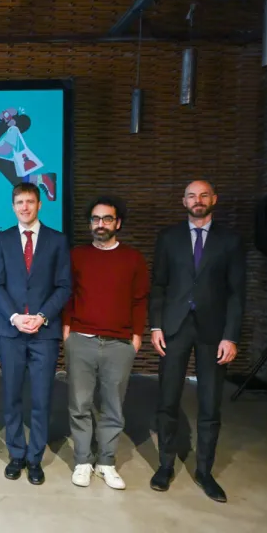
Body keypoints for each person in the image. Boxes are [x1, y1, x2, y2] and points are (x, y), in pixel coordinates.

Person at [148, 180, 246, 503]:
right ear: (183, 201)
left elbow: (236, 294)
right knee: (167, 400)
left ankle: (205, 472)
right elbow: (159, 286)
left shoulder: (230, 241)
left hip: (213, 333)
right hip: (174, 329)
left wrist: (231, 336)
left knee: (209, 404)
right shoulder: (168, 238)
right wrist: (155, 327)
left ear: (214, 199)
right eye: (191, 195)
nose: (198, 200)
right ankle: (164, 466)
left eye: (203, 195)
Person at [62, 197, 149, 490]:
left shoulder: (133, 259)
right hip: (81, 340)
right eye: (96, 219)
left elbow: (139, 301)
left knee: (113, 406)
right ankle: (83, 461)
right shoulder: (77, 256)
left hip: (119, 344)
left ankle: (107, 463)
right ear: (90, 224)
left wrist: (136, 337)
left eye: (107, 219)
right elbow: (68, 296)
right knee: (80, 404)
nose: (101, 224)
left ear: (118, 223)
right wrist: (66, 331)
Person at [0, 181, 71, 485]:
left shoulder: (57, 240)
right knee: (10, 396)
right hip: (10, 332)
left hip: (43, 333)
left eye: (30, 202)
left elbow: (64, 286)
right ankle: (16, 454)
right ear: (13, 206)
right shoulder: (3, 240)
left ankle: (35, 458)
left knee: (41, 397)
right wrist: (13, 316)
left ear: (39, 205)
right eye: (20, 202)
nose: (25, 207)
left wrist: (42, 316)